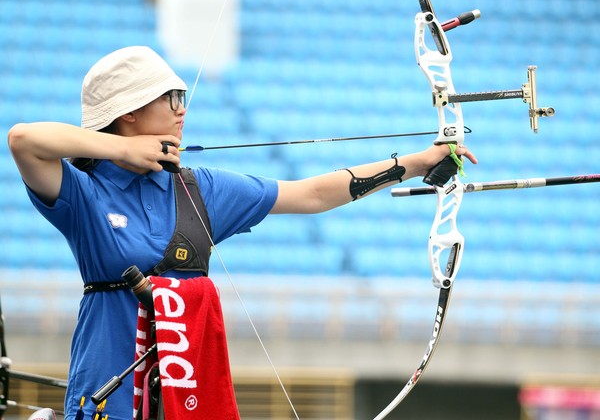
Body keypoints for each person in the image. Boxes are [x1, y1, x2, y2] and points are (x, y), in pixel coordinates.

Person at [7, 46, 477, 419]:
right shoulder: (86, 195)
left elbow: (311, 194)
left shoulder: (198, 189)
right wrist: (122, 150)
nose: (181, 110)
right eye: (170, 99)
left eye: (181, 97)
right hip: (107, 395)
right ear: (129, 112)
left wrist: (414, 163)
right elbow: (24, 141)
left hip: (186, 399)